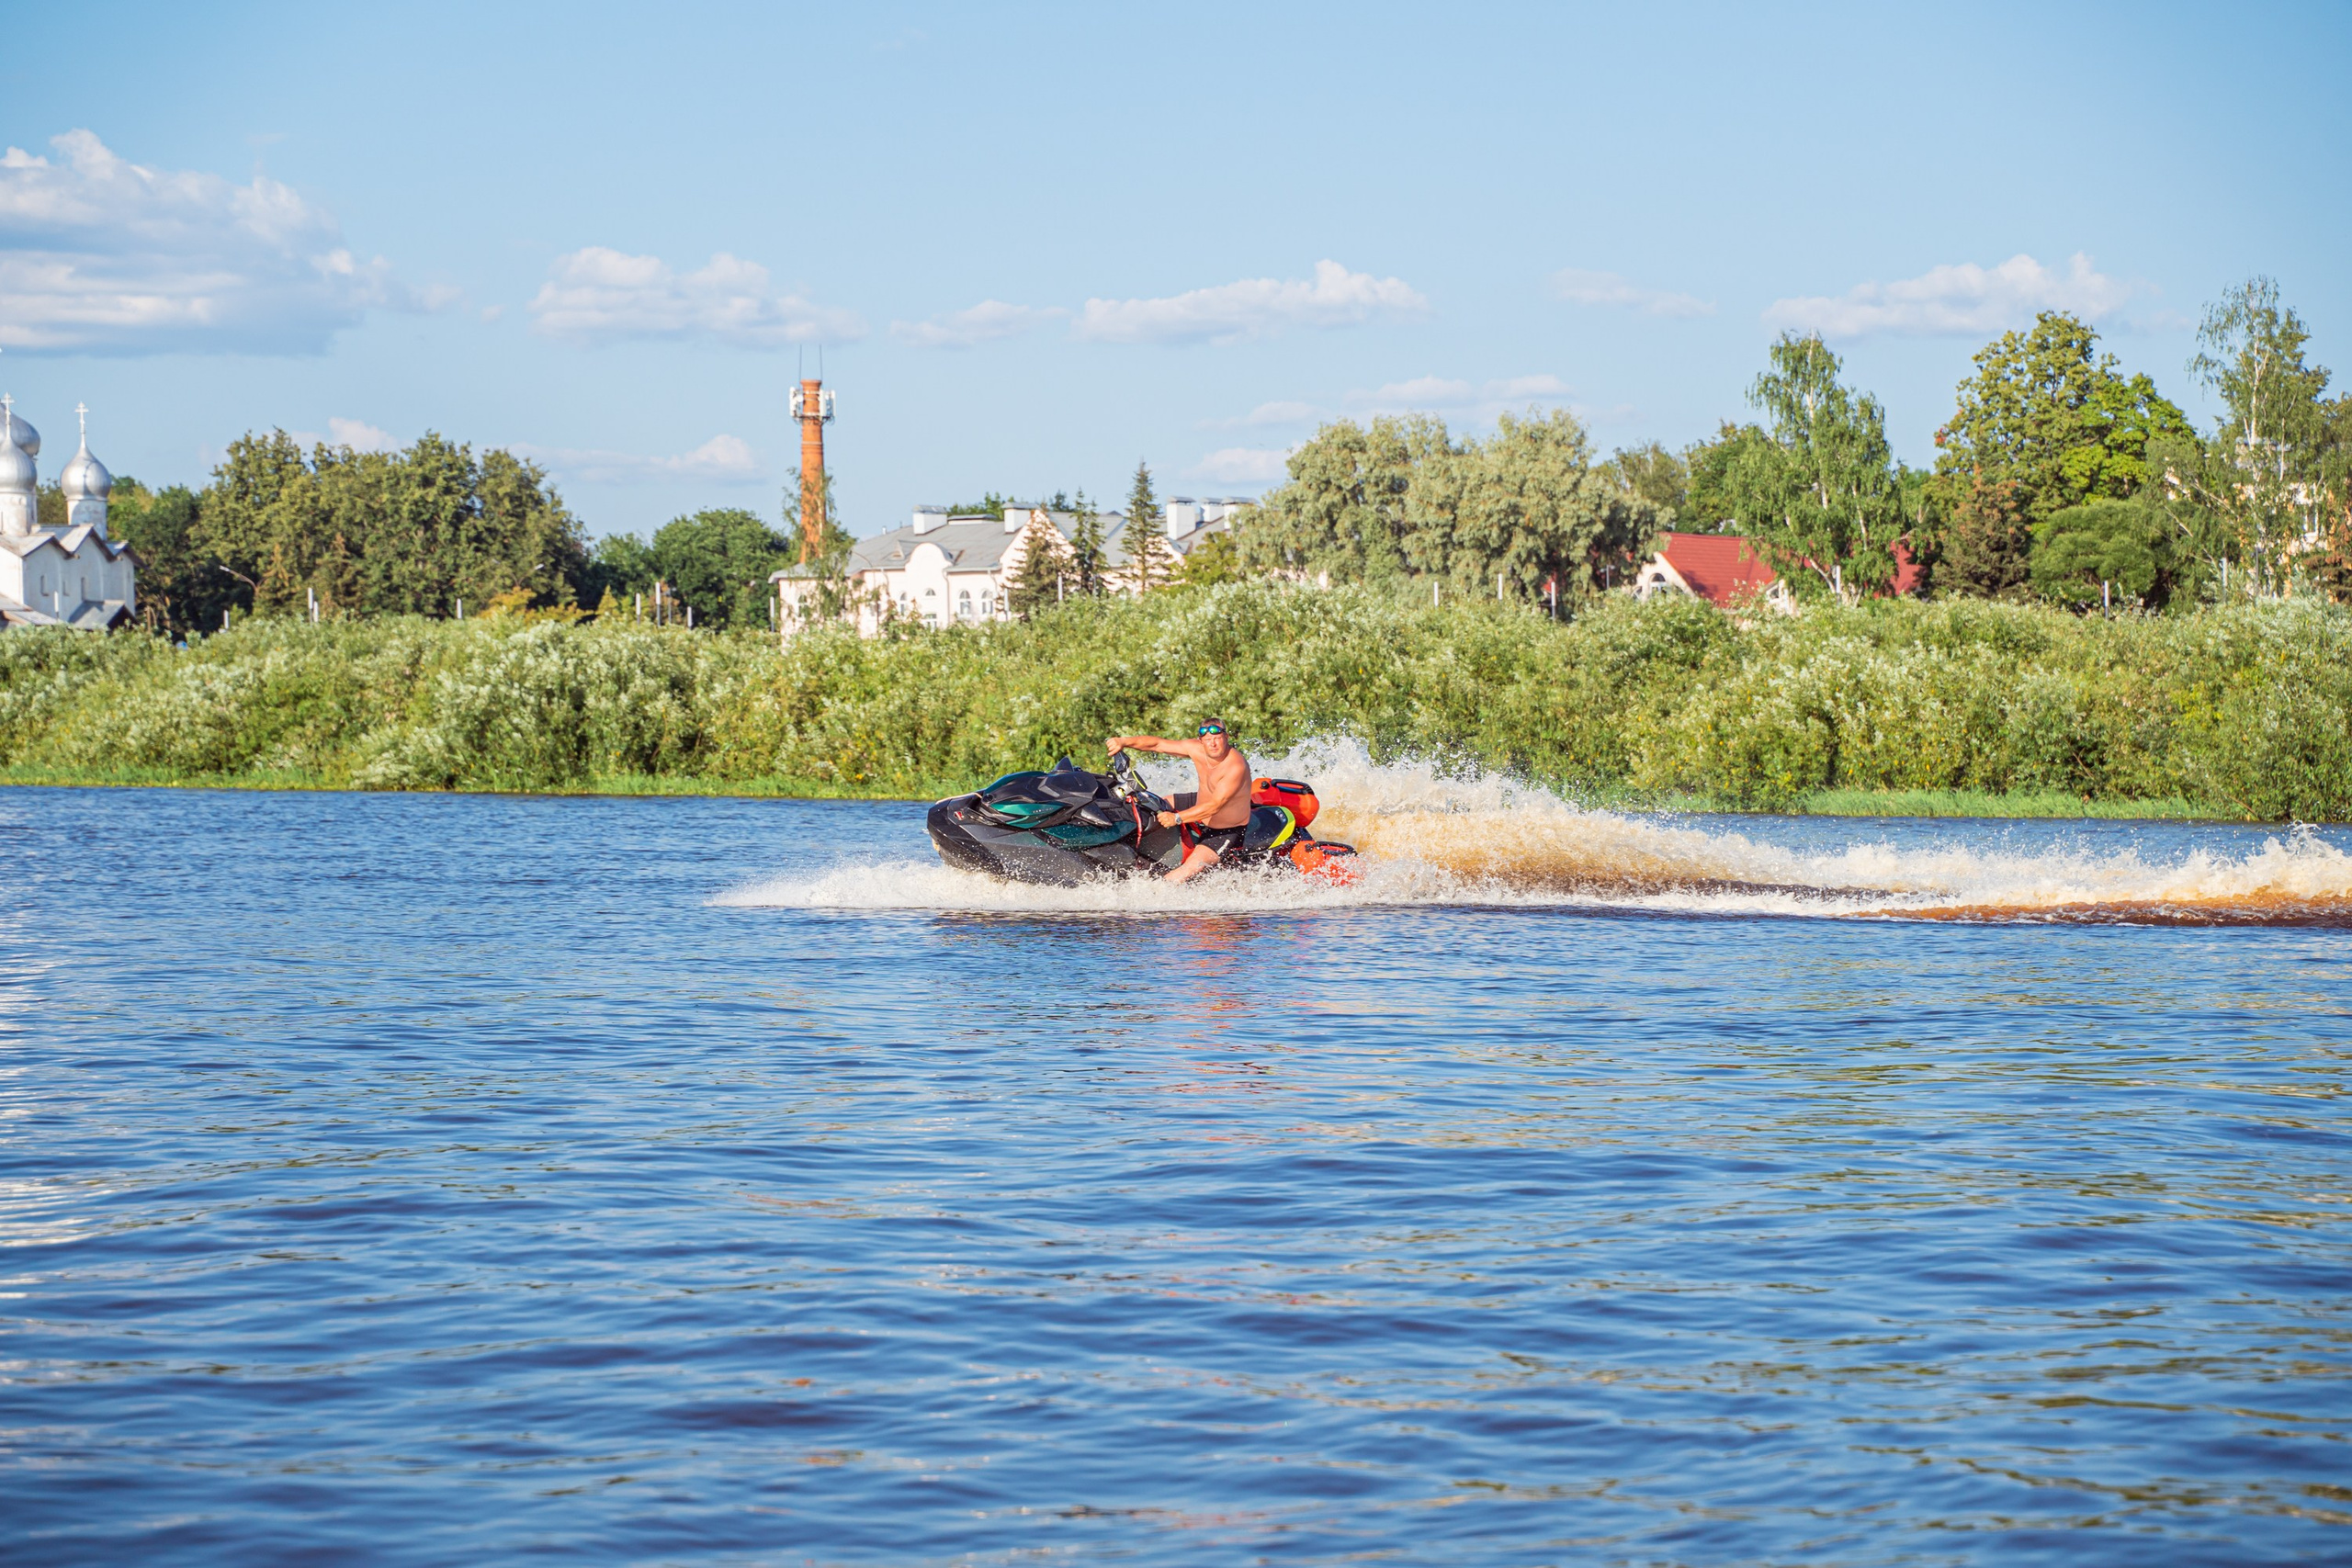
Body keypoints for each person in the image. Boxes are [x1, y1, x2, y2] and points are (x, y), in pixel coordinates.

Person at [1105, 720, 1251, 883]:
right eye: (1208, 740)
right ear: (1201, 741)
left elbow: (1215, 806)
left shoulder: (1235, 766)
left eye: (1217, 738)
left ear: (1226, 737)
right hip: (1200, 802)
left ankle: (1155, 892)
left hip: (1226, 828)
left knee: (1185, 872)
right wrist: (1124, 742)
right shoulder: (1196, 748)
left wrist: (1176, 818)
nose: (1213, 744)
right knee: (1151, 803)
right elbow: (1158, 744)